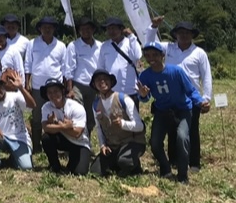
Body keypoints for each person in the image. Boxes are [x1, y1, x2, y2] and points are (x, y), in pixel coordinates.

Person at [144, 18, 212, 172]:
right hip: (170, 96)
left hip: (191, 96)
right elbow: (148, 44)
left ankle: (194, 163)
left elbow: (206, 76)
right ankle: (174, 160)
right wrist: (154, 26)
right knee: (172, 130)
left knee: (191, 131)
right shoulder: (168, 48)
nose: (183, 36)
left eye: (187, 33)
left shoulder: (199, 53)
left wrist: (206, 98)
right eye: (180, 33)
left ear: (192, 35)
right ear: (175, 35)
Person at [136, 42, 208, 183]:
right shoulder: (145, 76)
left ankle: (182, 174)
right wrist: (143, 95)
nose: (152, 58)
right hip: (162, 111)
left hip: (183, 110)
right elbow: (144, 98)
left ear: (163, 56)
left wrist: (200, 102)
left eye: (155, 55)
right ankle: (165, 167)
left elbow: (191, 90)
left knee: (182, 137)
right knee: (155, 142)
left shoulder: (176, 71)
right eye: (148, 55)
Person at [89, 69, 145, 177]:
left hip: (132, 141)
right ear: (94, 85)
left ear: (111, 82)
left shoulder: (123, 98)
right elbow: (99, 128)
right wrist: (102, 145)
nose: (102, 82)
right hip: (113, 145)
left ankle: (133, 165)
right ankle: (120, 163)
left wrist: (123, 124)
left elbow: (140, 126)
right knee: (95, 170)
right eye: (98, 80)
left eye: (105, 79)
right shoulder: (95, 105)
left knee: (124, 161)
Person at [24, 16, 67, 150]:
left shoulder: (60, 45)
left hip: (56, 88)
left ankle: (60, 145)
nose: (47, 29)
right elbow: (28, 65)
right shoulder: (32, 43)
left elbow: (65, 68)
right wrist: (27, 84)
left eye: (50, 27)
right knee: (37, 117)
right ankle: (36, 145)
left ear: (54, 29)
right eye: (44, 27)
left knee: (58, 116)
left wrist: (65, 88)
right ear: (40, 29)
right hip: (38, 86)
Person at [0, 70, 36, 172]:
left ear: (3, 86)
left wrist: (21, 88)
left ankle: (14, 158)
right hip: (2, 137)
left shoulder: (15, 96)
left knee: (26, 167)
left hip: (19, 137)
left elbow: (32, 105)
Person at [39, 78, 91, 175]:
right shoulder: (46, 107)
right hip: (63, 139)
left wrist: (55, 125)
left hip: (80, 143)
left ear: (62, 91)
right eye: (49, 92)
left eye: (56, 91)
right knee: (46, 138)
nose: (53, 95)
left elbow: (77, 133)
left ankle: (74, 160)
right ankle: (55, 166)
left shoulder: (76, 107)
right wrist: (63, 126)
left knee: (79, 172)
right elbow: (45, 127)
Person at [64, 17, 102, 137]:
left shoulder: (100, 46)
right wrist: (70, 89)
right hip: (78, 85)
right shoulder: (73, 46)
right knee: (77, 114)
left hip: (94, 86)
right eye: (83, 29)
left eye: (88, 29)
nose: (86, 31)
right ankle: (74, 141)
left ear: (93, 30)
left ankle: (87, 141)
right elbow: (69, 68)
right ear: (79, 31)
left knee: (91, 116)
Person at [97, 17, 142, 100]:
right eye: (109, 29)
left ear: (121, 29)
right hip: (112, 90)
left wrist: (131, 36)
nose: (111, 31)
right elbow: (101, 67)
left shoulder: (130, 42)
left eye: (113, 28)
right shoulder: (104, 46)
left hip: (130, 89)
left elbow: (137, 56)